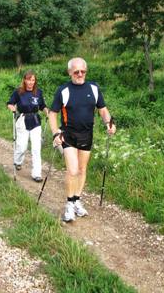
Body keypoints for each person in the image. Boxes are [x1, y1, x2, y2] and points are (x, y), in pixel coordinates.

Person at [49, 57, 116, 222]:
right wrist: (55, 133)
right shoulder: (63, 90)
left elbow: (103, 110)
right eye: (76, 71)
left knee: (82, 170)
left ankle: (77, 200)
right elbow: (52, 113)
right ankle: (69, 205)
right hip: (68, 135)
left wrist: (109, 122)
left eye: (82, 71)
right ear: (70, 72)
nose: (80, 74)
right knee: (72, 170)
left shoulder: (93, 88)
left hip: (87, 134)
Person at [7, 70, 49, 182]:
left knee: (36, 148)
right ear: (24, 80)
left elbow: (42, 106)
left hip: (35, 121)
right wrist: (12, 108)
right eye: (29, 80)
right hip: (22, 120)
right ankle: (18, 161)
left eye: (33, 80)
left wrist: (46, 111)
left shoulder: (38, 92)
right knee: (22, 146)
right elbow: (10, 103)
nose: (31, 82)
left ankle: (37, 174)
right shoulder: (18, 92)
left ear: (35, 81)